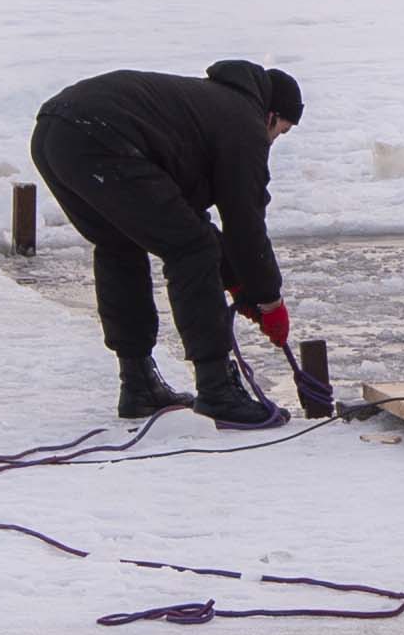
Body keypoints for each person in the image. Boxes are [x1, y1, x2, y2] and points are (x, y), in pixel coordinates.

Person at [25, 59, 304, 428]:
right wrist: (270, 299)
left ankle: (138, 384)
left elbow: (184, 213)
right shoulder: (244, 124)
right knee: (192, 249)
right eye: (280, 132)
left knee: (119, 243)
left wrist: (237, 279)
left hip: (55, 132)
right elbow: (245, 223)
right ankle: (217, 387)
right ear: (271, 116)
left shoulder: (209, 106)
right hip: (96, 136)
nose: (273, 140)